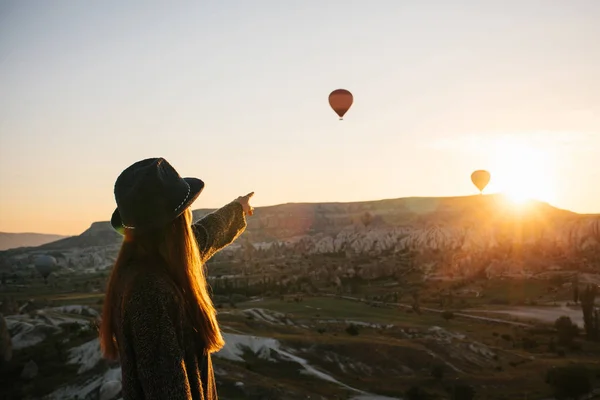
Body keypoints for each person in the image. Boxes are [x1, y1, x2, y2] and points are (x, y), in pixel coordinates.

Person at [99, 157, 254, 400]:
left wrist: (236, 209)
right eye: (186, 209)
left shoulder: (157, 265)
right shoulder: (149, 293)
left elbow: (203, 238)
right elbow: (168, 390)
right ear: (176, 222)